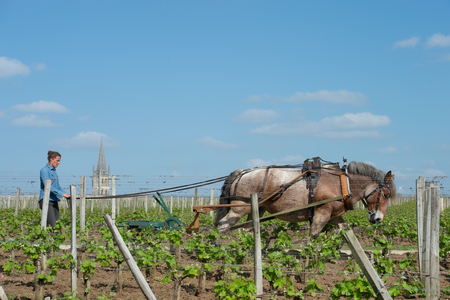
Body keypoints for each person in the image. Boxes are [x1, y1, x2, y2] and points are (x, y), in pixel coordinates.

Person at [39, 151, 70, 227]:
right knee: (52, 224)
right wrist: (62, 194)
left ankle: (51, 237)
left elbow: (58, 187)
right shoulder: (44, 170)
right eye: (57, 160)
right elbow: (48, 186)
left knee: (57, 223)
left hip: (54, 200)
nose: (59, 163)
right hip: (46, 200)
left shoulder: (54, 172)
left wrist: (66, 194)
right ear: (51, 159)